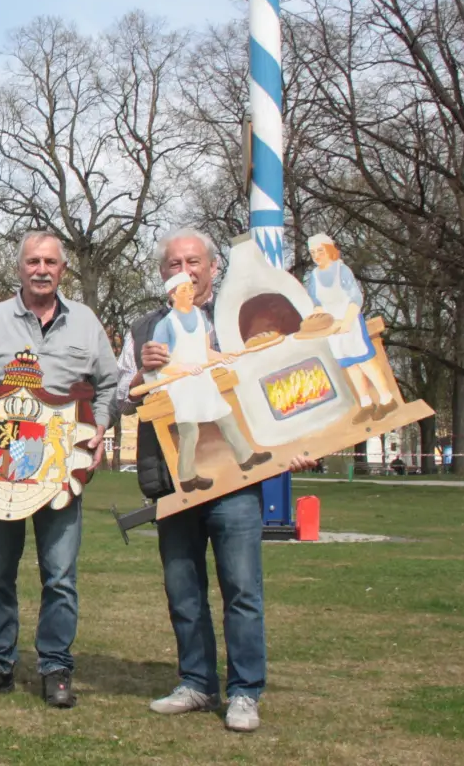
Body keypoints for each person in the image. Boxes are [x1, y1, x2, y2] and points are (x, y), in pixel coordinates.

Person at [115, 226, 316, 734]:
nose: (184, 271)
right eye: (173, 264)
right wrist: (142, 374)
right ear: (162, 274)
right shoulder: (144, 330)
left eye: (193, 262)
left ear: (212, 268)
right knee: (183, 591)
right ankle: (196, 683)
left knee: (242, 589)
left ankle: (245, 692)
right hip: (174, 481)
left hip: (236, 482)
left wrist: (293, 445)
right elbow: (120, 396)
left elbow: (276, 383)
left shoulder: (235, 321)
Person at [0, 232, 116, 709]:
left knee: (60, 574)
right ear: (19, 268)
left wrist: (99, 428)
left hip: (62, 466)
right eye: (32, 261)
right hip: (0, 465)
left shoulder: (86, 324)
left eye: (50, 261)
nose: (41, 269)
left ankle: (55, 667)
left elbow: (108, 383)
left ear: (62, 269)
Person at [148, 272, 269, 491]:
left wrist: (222, 357)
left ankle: (246, 458)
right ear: (173, 296)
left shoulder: (199, 316)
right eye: (183, 290)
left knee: (226, 417)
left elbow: (205, 352)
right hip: (181, 385)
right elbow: (161, 364)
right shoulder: (165, 326)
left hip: (202, 380)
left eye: (190, 288)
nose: (189, 293)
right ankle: (186, 478)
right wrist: (184, 368)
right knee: (190, 432)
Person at [303, 233, 397, 420]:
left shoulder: (342, 270)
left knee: (365, 361)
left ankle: (387, 399)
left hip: (350, 323)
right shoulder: (314, 276)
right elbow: (316, 300)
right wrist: (318, 316)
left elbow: (356, 297)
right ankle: (366, 403)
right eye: (313, 252)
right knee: (350, 365)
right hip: (332, 328)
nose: (316, 256)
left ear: (329, 250)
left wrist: (347, 321)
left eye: (320, 251)